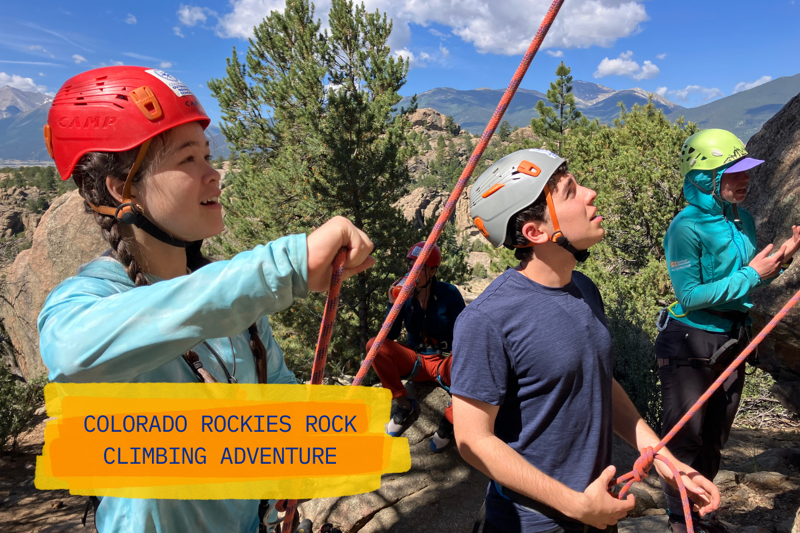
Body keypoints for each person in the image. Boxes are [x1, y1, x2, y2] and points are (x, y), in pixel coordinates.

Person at [38, 66, 374, 533]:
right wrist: (286, 265)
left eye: (209, 156)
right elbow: (72, 356)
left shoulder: (229, 297)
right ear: (122, 188)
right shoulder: (87, 299)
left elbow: (274, 391)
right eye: (188, 159)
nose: (213, 175)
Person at [451, 149, 720, 533]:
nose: (590, 194)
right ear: (535, 232)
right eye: (570, 191)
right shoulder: (488, 320)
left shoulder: (583, 289)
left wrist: (661, 456)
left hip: (597, 511)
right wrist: (576, 506)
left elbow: (594, 379)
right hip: (532, 525)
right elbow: (471, 439)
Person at [655, 129, 800, 533]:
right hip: (691, 343)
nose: (745, 179)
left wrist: (781, 262)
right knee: (687, 438)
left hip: (731, 339)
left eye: (746, 172)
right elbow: (690, 295)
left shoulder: (742, 220)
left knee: (716, 436)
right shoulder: (686, 227)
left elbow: (745, 283)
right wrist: (755, 272)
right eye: (732, 173)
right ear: (706, 178)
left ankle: (703, 514)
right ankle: (678, 519)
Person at [367, 242, 466, 452]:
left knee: (476, 365)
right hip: (418, 360)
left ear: (433, 270)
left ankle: (449, 421)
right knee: (374, 345)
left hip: (445, 361)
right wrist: (392, 303)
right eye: (410, 266)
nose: (412, 272)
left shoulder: (449, 294)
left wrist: (456, 367)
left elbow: (466, 337)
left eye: (418, 267)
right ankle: (404, 405)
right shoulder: (405, 295)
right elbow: (390, 336)